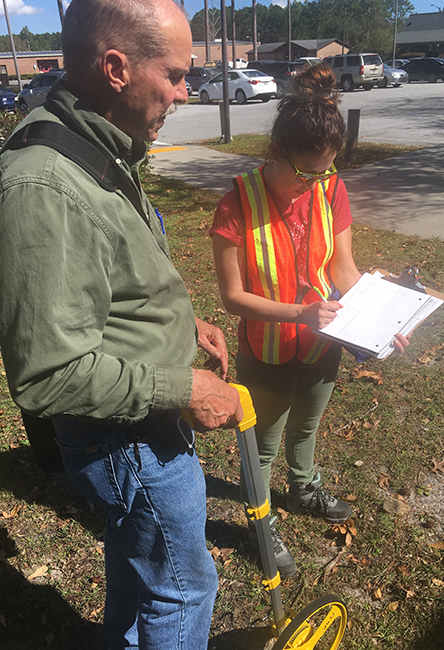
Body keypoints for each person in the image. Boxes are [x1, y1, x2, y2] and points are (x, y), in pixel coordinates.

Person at [0, 1, 243, 648]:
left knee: (139, 567)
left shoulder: (100, 143)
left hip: (140, 423)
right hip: (127, 441)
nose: (186, 93)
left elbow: (115, 271)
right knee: (185, 587)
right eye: (175, 75)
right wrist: (186, 389)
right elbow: (48, 375)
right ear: (115, 68)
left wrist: (185, 323)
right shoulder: (44, 188)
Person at [210, 64, 408, 580]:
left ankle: (304, 486)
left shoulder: (330, 188)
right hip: (267, 350)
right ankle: (261, 520)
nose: (316, 184)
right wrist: (299, 314)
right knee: (263, 443)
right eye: (305, 172)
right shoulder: (236, 203)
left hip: (324, 345)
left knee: (308, 426)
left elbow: (342, 269)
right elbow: (232, 298)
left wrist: (381, 320)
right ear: (275, 150)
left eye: (326, 171)